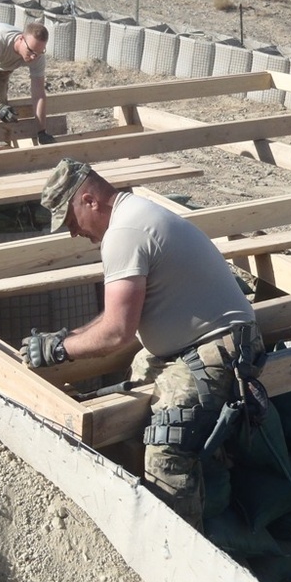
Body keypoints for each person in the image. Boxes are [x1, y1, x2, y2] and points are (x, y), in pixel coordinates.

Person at [20, 158, 267, 530]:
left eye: (70, 222)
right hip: (186, 345)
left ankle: (183, 556)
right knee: (136, 386)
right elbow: (116, 322)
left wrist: (59, 350)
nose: (73, 234)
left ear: (89, 200)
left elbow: (117, 332)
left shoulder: (125, 233)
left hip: (218, 347)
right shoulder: (132, 216)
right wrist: (67, 338)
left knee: (166, 452)